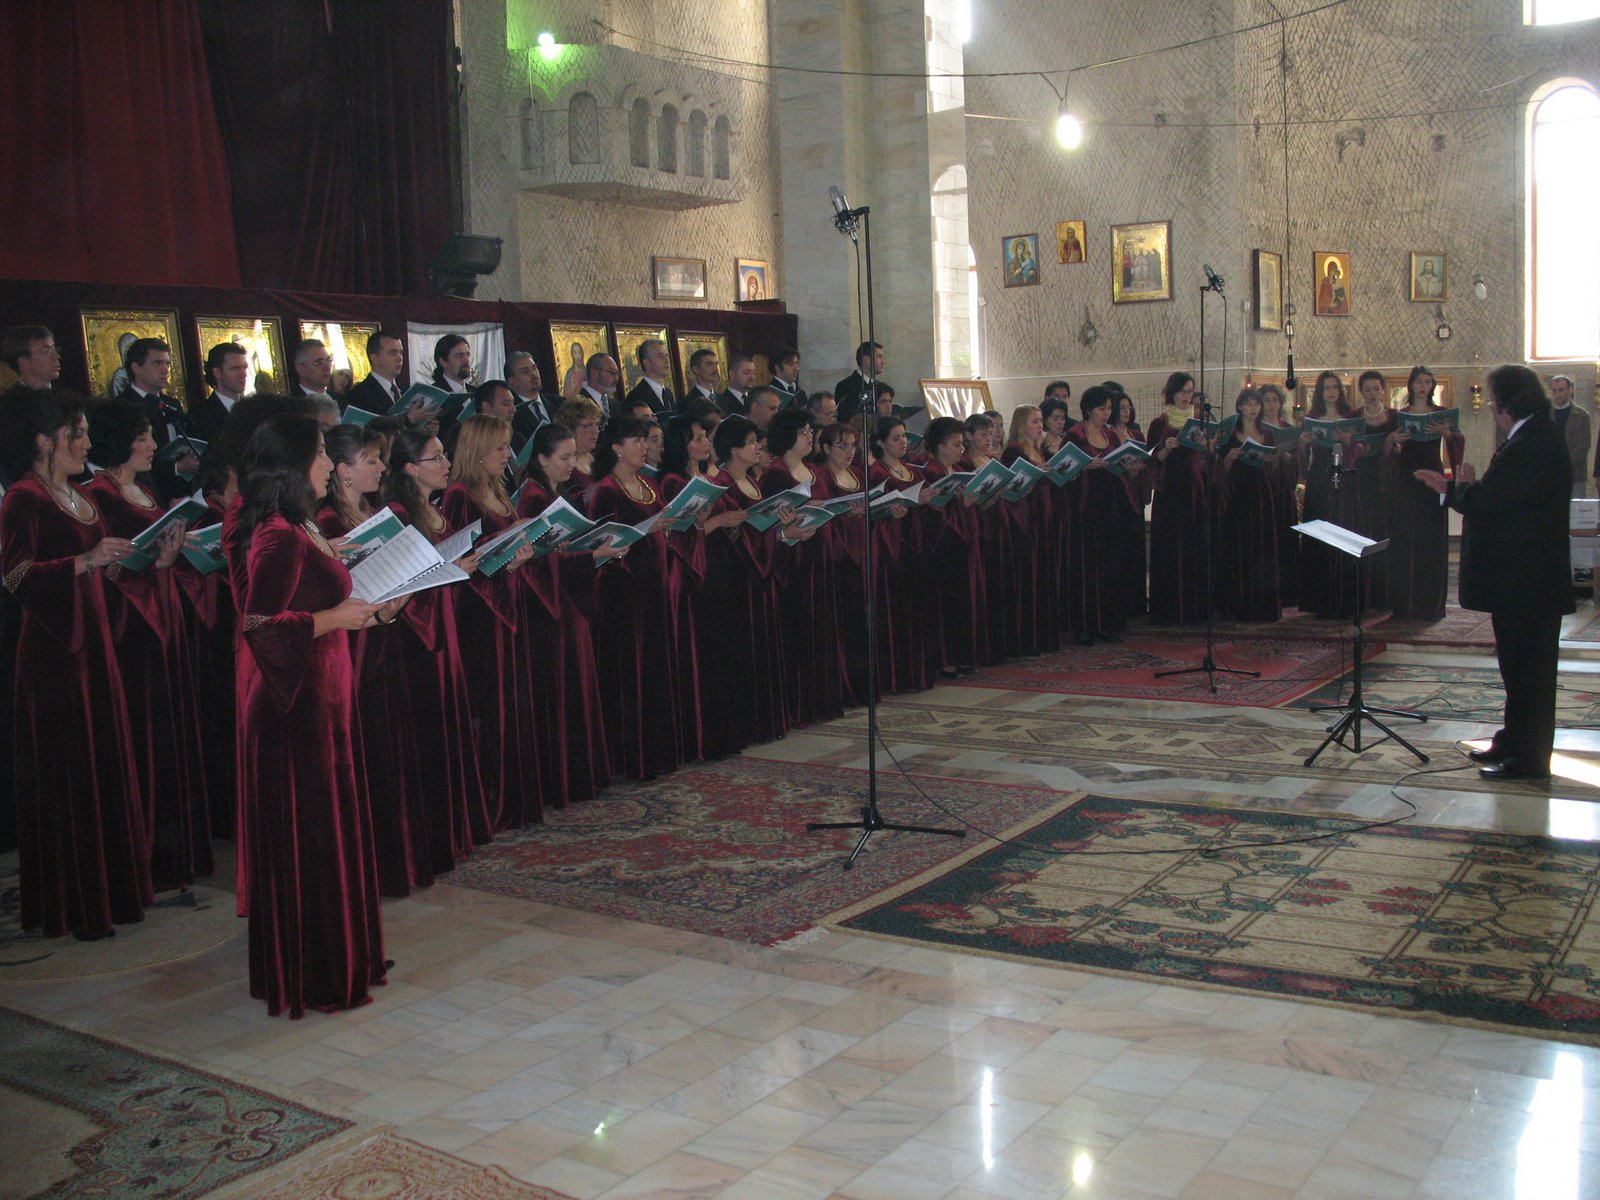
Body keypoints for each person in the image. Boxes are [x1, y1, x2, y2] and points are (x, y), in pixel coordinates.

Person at [222, 412, 386, 1016]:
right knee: (310, 836)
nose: (327, 462)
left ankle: (339, 954)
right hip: (295, 709)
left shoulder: (299, 527)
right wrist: (333, 619)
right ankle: (315, 970)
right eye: (319, 453)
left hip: (323, 701)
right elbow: (259, 625)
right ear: (293, 466)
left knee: (330, 834)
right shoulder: (277, 533)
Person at [0, 390, 150, 940]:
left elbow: (90, 568)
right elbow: (15, 576)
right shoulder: (22, 498)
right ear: (45, 440)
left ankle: (110, 888)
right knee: (68, 765)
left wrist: (119, 559)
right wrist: (87, 559)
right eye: (77, 434)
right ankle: (71, 899)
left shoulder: (72, 493)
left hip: (95, 640)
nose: (87, 444)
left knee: (103, 758)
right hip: (54, 651)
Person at [1415, 365, 1573, 781]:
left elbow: (1499, 497)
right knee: (1516, 666)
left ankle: (1529, 759)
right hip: (1521, 577)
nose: (1491, 408)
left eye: (1493, 399)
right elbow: (1506, 495)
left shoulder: (1534, 441)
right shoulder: (1531, 433)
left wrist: (1450, 490)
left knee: (1531, 672)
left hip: (1530, 579)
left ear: (1505, 403)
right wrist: (1463, 488)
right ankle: (1512, 742)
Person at [86, 399, 210, 892]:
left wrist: (179, 552)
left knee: (171, 729)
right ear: (120, 441)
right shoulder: (99, 494)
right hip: (130, 628)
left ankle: (178, 852)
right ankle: (147, 853)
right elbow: (108, 571)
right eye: (143, 438)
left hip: (164, 615)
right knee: (144, 732)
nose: (154, 445)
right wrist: (156, 562)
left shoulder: (144, 489)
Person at [316, 425, 432, 897]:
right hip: (355, 645)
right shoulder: (325, 522)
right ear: (343, 471)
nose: (382, 468)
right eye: (371, 460)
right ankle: (372, 866)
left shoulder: (378, 512)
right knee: (367, 750)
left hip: (386, 637)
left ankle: (400, 855)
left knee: (393, 743)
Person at [383, 429, 495, 857]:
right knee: (429, 727)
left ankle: (455, 828)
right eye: (436, 457)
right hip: (418, 632)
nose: (447, 463)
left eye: (445, 454)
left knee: (452, 721)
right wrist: (448, 568)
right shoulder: (397, 512)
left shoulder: (434, 510)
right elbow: (401, 579)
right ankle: (433, 836)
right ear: (411, 468)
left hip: (445, 624)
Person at [442, 415, 543, 827]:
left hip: (507, 602)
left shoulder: (499, 491)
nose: (508, 455)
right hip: (480, 612)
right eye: (500, 447)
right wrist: (499, 552)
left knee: (512, 696)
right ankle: (491, 800)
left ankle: (515, 797)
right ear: (478, 450)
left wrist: (520, 552)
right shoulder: (459, 495)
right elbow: (455, 557)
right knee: (490, 702)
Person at [514, 422, 615, 803]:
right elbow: (543, 559)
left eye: (575, 455)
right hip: (550, 604)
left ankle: (581, 773)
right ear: (541, 459)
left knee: (579, 680)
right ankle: (566, 776)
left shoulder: (556, 493)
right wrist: (591, 554)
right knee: (566, 684)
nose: (573, 463)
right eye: (565, 457)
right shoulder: (535, 498)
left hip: (566, 596)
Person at [588, 417, 691, 778]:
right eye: (637, 440)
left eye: (645, 441)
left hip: (655, 585)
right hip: (623, 590)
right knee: (631, 671)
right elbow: (599, 542)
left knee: (656, 667)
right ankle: (632, 757)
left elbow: (660, 522)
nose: (644, 447)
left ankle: (661, 751)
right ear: (616, 447)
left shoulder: (648, 483)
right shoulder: (605, 489)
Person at [1382, 365, 1463, 620]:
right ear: (1411, 384)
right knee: (1405, 538)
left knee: (1431, 538)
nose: (1423, 386)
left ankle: (1432, 603)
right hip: (1406, 479)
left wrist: (1447, 434)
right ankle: (1405, 602)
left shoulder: (1440, 414)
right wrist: (1393, 441)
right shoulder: (1399, 415)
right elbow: (1389, 452)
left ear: (1432, 386)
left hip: (1433, 478)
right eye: (1419, 381)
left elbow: (1457, 442)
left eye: (1428, 382)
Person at [1064, 386, 1139, 643]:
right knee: (1087, 566)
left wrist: (1128, 465)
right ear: (1088, 410)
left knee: (1109, 565)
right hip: (1085, 506)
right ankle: (1085, 625)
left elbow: (1120, 467)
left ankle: (1107, 622)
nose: (1106, 414)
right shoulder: (1074, 435)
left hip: (1110, 504)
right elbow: (1065, 472)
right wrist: (1086, 466)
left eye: (1109, 408)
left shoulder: (1111, 435)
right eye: (1101, 409)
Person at [1298, 370, 1364, 618]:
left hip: (1344, 479)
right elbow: (1302, 460)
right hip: (1319, 478)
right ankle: (1320, 599)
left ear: (1340, 390)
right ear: (1319, 392)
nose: (1331, 391)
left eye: (1334, 387)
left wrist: (1349, 441)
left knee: (1343, 532)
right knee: (1320, 535)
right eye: (1325, 387)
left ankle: (1345, 598)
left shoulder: (1351, 417)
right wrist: (1303, 444)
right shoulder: (1312, 418)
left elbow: (1360, 449)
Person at [1145, 372, 1209, 625]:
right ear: (1171, 393)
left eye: (1190, 391)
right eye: (1182, 391)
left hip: (1194, 490)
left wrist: (1206, 446)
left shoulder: (1199, 421)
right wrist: (1165, 449)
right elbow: (1150, 460)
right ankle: (1169, 609)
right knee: (1170, 548)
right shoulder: (1159, 424)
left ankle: (1195, 609)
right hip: (1169, 491)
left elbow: (1208, 461)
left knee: (1194, 547)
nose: (1186, 396)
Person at [1215, 388, 1281, 621]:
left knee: (1262, 548)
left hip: (1262, 495)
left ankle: (1263, 605)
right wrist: (1229, 458)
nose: (1253, 408)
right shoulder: (1229, 436)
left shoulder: (1268, 435)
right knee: (1239, 547)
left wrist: (1272, 460)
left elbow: (1273, 470)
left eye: (1256, 404)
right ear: (1240, 406)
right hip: (1238, 496)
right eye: (1248, 403)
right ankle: (1238, 605)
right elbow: (1219, 472)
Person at [345, 331, 423, 422]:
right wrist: (408, 419)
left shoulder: (406, 390)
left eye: (401, 353)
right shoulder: (360, 394)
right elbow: (373, 430)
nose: (400, 358)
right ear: (374, 358)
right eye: (392, 353)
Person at [188, 342, 250, 444]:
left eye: (245, 367)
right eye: (235, 368)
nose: (243, 374)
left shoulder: (255, 409)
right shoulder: (200, 417)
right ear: (217, 372)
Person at [1548, 374, 1589, 499]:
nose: (1558, 394)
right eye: (1554, 391)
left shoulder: (1581, 415)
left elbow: (1583, 446)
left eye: (1561, 390)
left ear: (1569, 390)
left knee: (1575, 513)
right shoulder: (1545, 415)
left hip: (1575, 475)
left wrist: (1564, 465)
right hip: (1550, 473)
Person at [835, 341, 887, 425]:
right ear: (866, 360)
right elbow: (844, 418)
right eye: (879, 357)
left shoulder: (879, 386)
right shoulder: (846, 385)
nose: (883, 362)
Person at [506, 350, 557, 429]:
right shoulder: (511, 413)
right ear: (512, 382)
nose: (534, 373)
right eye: (525, 371)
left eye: (534, 368)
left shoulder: (559, 403)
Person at [2, 325, 61, 391]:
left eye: (54, 349)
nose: (57, 356)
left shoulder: (67, 397)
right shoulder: (11, 400)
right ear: (24, 361)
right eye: (45, 351)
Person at [625, 338, 675, 413]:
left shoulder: (668, 393)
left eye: (666, 355)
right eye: (660, 356)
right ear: (647, 362)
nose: (667, 361)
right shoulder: (637, 396)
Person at [581, 353, 620, 418]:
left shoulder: (617, 407)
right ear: (594, 373)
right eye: (612, 373)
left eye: (617, 374)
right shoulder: (577, 405)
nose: (617, 378)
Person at [719, 352, 756, 417]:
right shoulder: (720, 404)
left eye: (753, 372)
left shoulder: (756, 399)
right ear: (732, 374)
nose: (752, 377)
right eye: (746, 372)